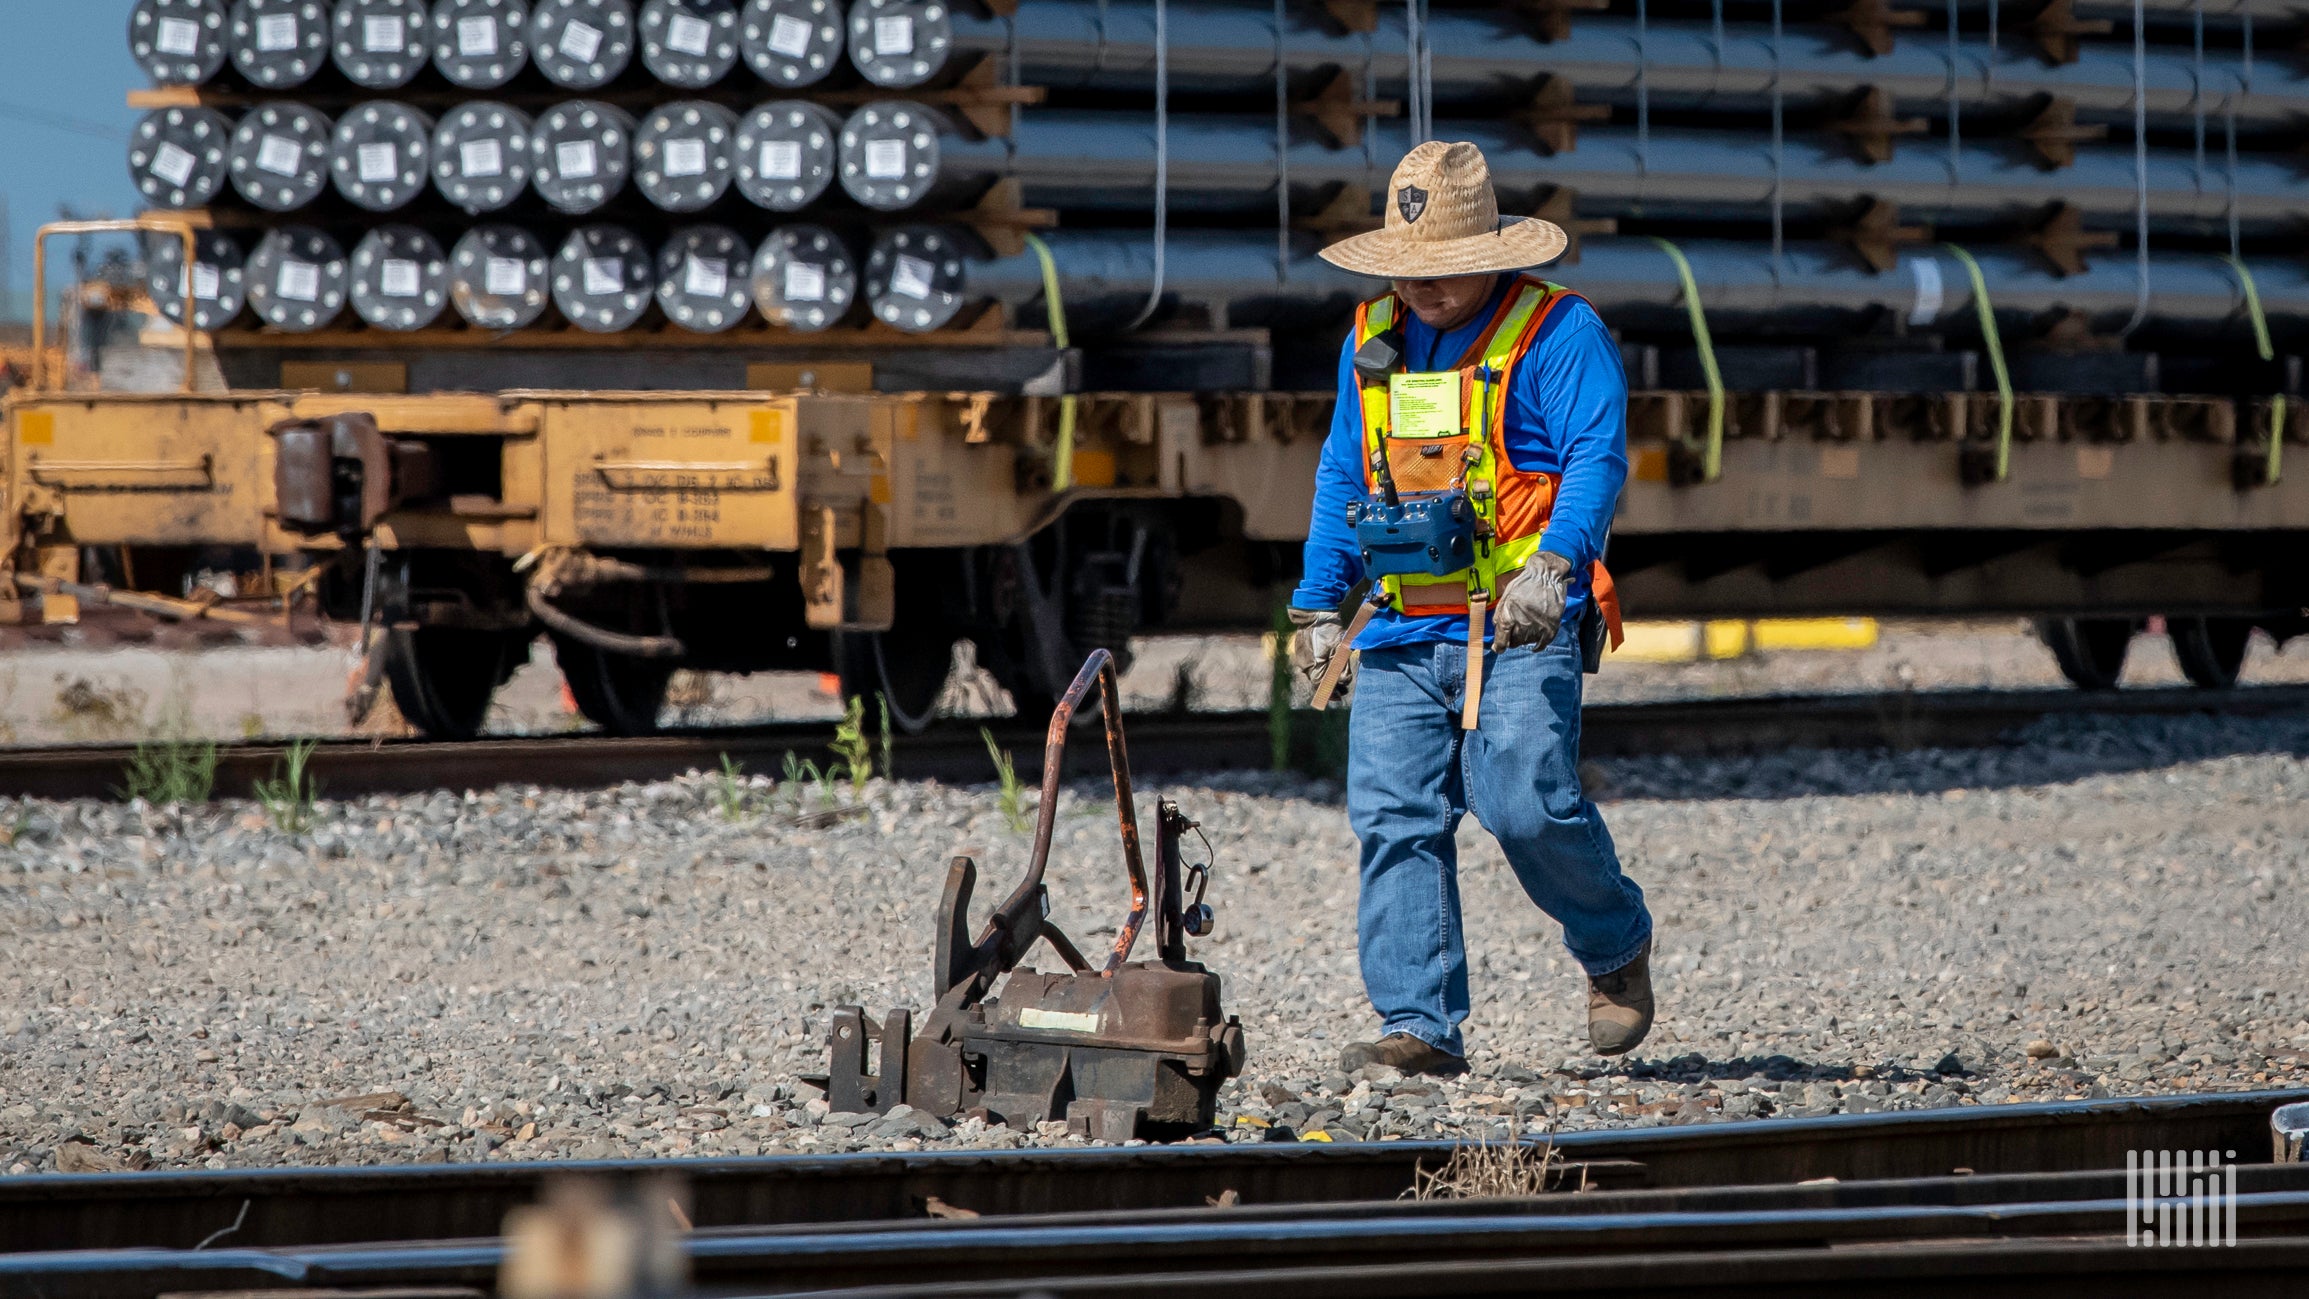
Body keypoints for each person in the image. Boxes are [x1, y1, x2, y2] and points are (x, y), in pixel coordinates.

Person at [1288, 140, 1656, 1077]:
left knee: (1527, 806)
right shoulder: (1370, 336)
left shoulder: (1559, 334)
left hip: (1518, 624)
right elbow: (1343, 470)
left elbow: (1594, 461)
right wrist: (1315, 602)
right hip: (1404, 628)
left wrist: (1556, 570)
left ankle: (1613, 944)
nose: (1426, 291)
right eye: (1411, 274)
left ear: (1493, 254)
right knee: (1392, 818)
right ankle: (1420, 1025)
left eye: (1445, 273)